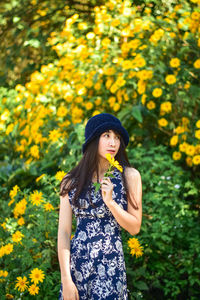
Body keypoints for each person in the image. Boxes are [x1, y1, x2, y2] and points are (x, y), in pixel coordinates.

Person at [57, 113, 142, 300]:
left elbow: (135, 227)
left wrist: (111, 203)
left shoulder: (129, 176)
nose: (113, 143)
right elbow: (64, 232)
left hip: (111, 270)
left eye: (117, 137)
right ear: (93, 140)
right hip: (77, 269)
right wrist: (66, 279)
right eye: (107, 135)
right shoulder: (70, 181)